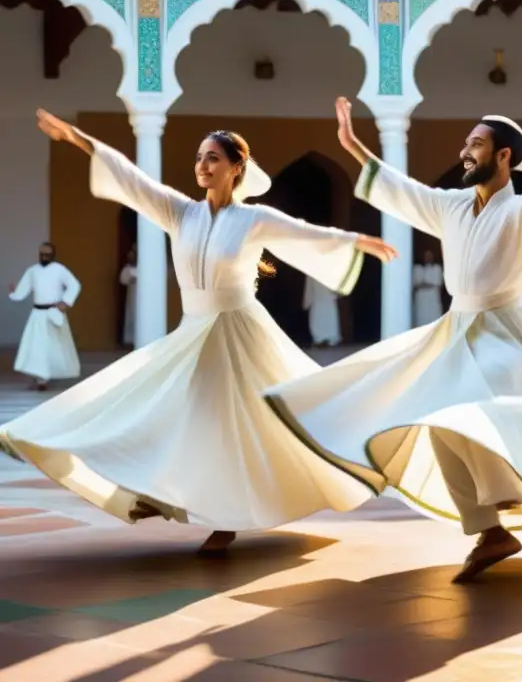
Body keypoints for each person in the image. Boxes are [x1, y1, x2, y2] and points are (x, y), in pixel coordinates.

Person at [265, 91, 522, 583]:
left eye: (475, 144)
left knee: (476, 407)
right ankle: (491, 529)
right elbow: (402, 190)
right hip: (456, 330)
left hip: (507, 332)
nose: (464, 152)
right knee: (438, 419)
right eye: (465, 144)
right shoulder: (451, 206)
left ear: (504, 156)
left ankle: (504, 488)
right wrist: (353, 146)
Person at [0, 110, 396, 554]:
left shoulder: (253, 219)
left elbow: (304, 233)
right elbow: (132, 181)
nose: (203, 166)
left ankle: (226, 519)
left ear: (236, 168)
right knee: (166, 413)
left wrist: (357, 241)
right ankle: (153, 491)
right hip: (193, 333)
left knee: (246, 426)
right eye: (200, 158)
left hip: (241, 334)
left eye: (213, 158)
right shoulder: (179, 212)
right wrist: (78, 139)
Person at [8, 242, 81, 391]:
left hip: (53, 313)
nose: (44, 256)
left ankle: (48, 375)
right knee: (37, 347)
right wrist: (14, 293)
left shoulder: (60, 270)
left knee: (54, 347)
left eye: (47, 254)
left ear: (53, 255)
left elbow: (75, 285)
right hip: (37, 315)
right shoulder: (32, 271)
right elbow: (23, 290)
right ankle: (41, 379)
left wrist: (65, 302)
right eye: (41, 254)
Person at [303, 275, 342, 347]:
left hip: (324, 302)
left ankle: (323, 340)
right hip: (323, 302)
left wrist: (306, 303)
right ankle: (322, 341)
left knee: (324, 324)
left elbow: (309, 289)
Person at [413, 248, 444, 326]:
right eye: (426, 255)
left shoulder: (437, 268)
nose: (428, 257)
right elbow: (416, 286)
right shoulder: (417, 269)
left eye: (430, 255)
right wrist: (430, 284)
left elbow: (438, 284)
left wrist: (423, 284)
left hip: (433, 302)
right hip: (420, 304)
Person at [119, 244, 137, 348]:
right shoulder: (128, 268)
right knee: (132, 316)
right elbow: (122, 280)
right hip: (133, 295)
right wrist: (131, 280)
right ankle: (130, 341)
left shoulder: (146, 268)